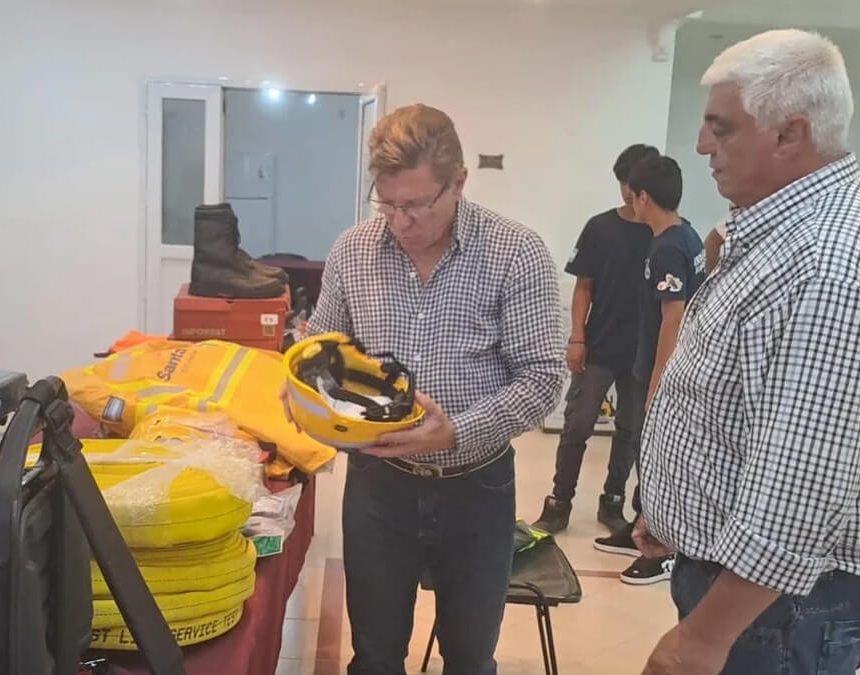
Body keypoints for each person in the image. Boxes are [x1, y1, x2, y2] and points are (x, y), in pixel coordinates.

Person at [638, 29, 860, 675]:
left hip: (779, 605)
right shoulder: (788, 227)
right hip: (757, 585)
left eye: (721, 128)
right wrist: (678, 511)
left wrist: (703, 638)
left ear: (789, 135)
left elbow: (799, 496)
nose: (700, 146)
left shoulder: (832, 270)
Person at [299, 104, 565, 675]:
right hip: (378, 487)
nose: (401, 220)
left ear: (459, 184)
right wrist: (304, 391)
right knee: (373, 656)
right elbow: (323, 348)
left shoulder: (515, 253)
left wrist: (456, 433)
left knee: (469, 658)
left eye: (417, 204)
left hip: (477, 486)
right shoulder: (354, 251)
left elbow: (544, 379)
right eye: (388, 203)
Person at [532, 144, 660, 536]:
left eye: (635, 183)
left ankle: (613, 501)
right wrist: (577, 338)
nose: (628, 191)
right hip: (599, 345)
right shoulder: (600, 228)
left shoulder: (668, 234)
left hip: (643, 352)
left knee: (630, 430)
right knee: (578, 424)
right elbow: (583, 287)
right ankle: (559, 503)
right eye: (624, 182)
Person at [592, 154, 704, 585]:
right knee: (645, 452)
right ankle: (642, 524)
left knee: (658, 458)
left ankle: (662, 547)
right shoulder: (686, 235)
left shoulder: (668, 247)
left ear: (642, 197)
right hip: (652, 364)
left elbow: (672, 318)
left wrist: (658, 379)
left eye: (631, 194)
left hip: (663, 371)